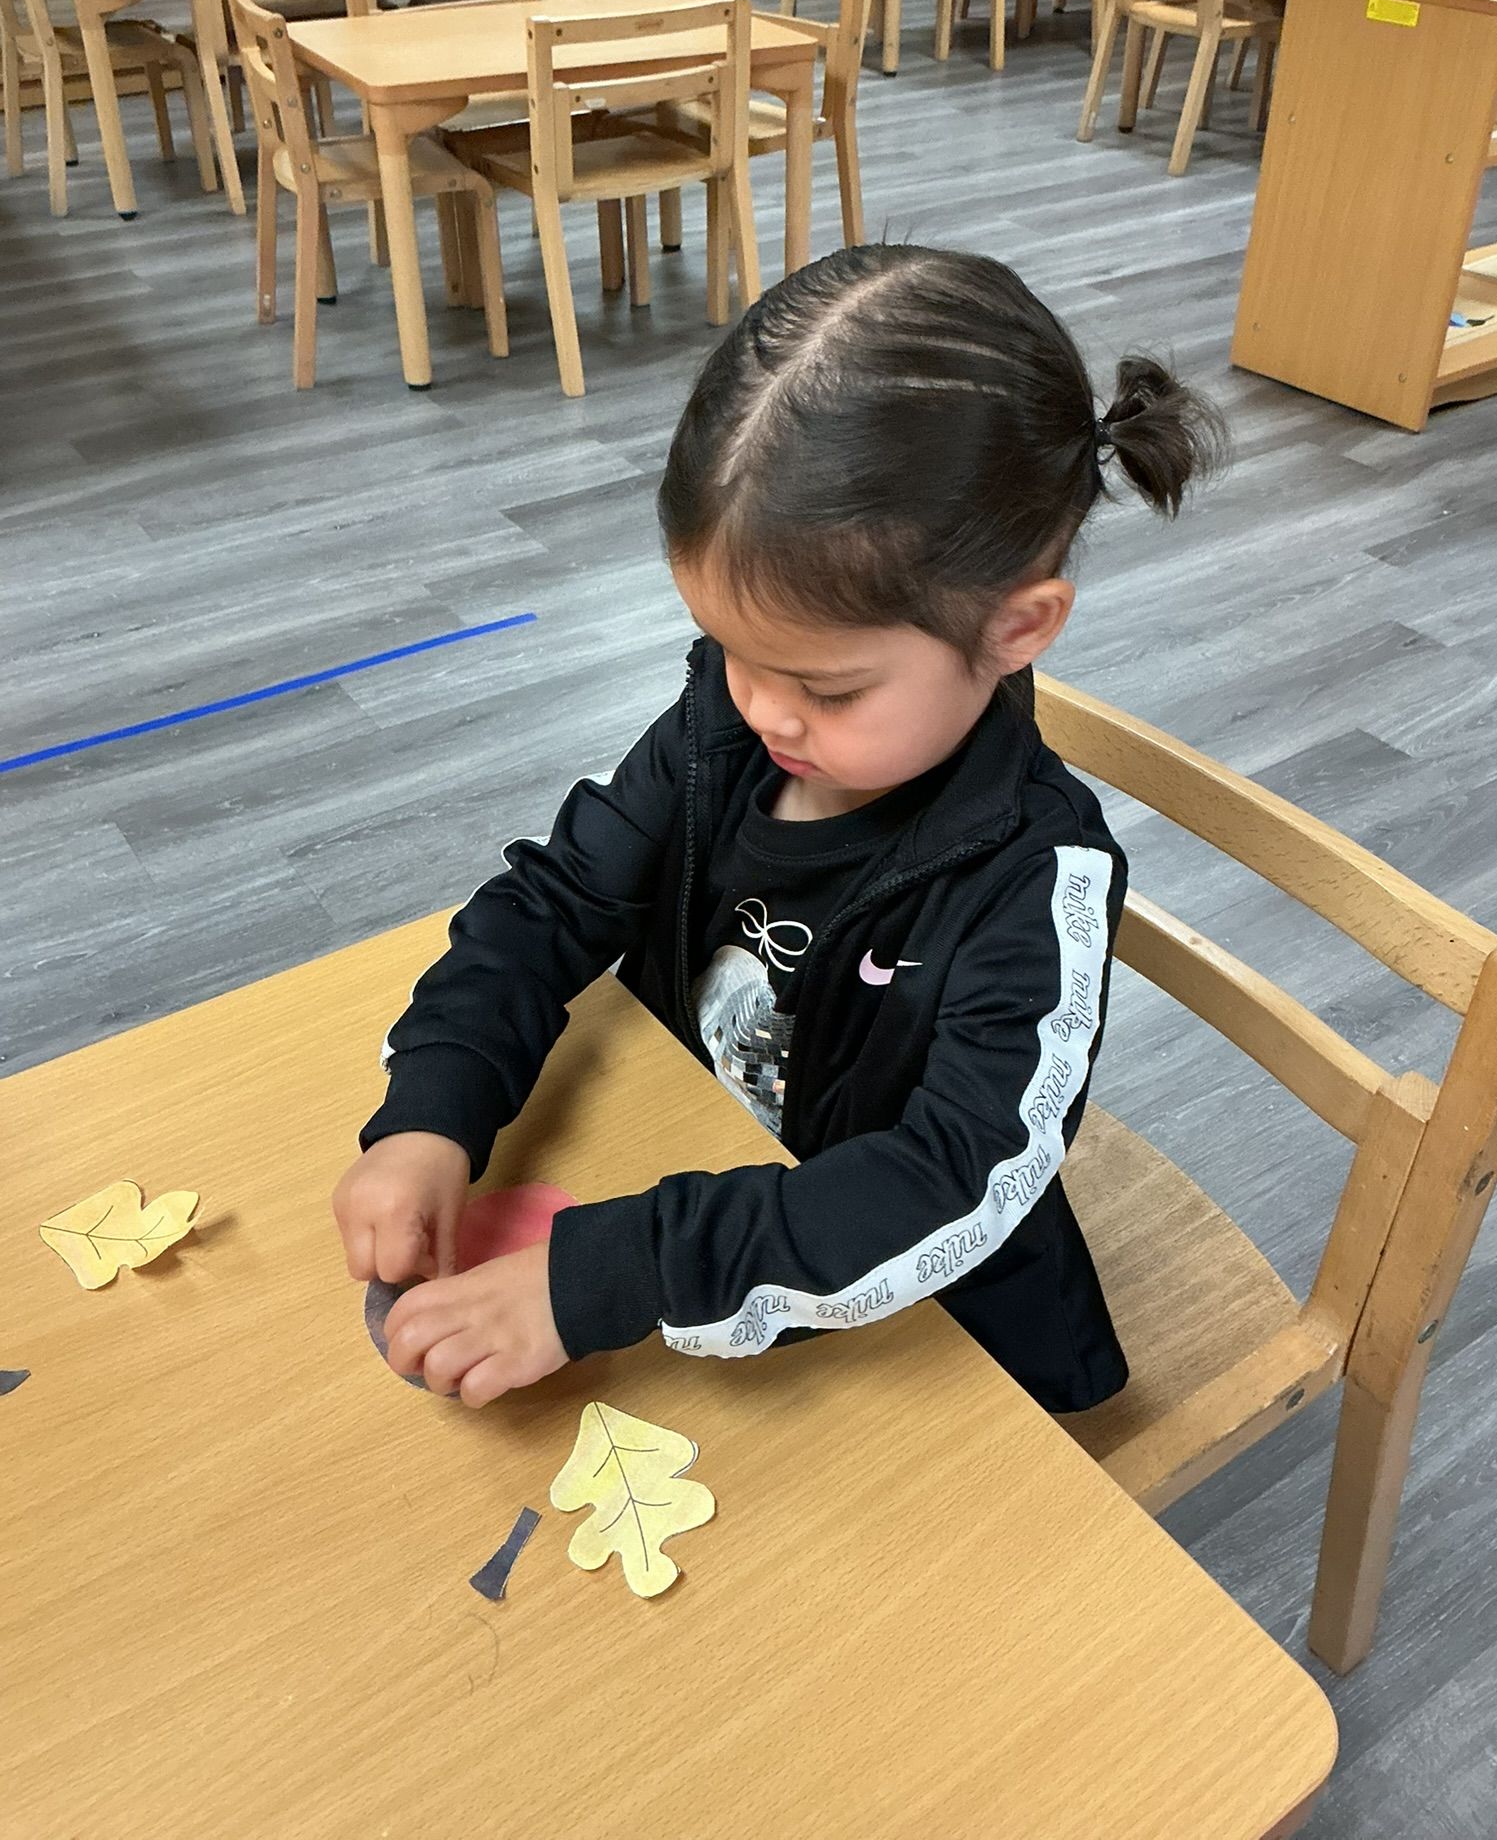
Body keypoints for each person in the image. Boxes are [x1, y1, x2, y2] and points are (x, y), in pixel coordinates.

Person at [333, 244, 1227, 1411]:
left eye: (828, 687)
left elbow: (954, 1180)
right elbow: (553, 903)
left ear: (1018, 627)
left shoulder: (1035, 876)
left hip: (924, 1338)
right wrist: (430, 1112)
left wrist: (616, 1268)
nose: (762, 709)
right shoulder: (726, 722)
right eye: (733, 651)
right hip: (701, 1195)